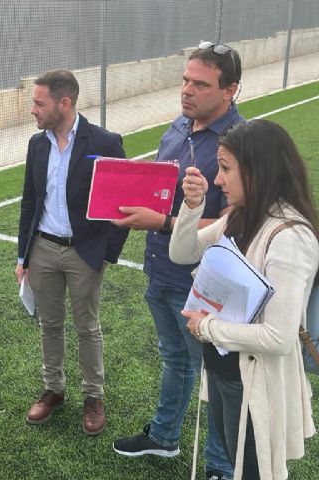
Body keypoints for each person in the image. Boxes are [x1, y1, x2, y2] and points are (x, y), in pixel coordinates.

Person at [112, 42, 243, 480]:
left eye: (200, 84)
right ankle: (165, 437)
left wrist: (162, 221)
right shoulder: (179, 126)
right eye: (185, 80)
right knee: (175, 359)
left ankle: (220, 467)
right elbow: (166, 187)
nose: (187, 90)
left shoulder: (238, 143)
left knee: (216, 377)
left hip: (202, 280)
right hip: (161, 269)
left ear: (230, 91)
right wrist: (137, 180)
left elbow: (231, 220)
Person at [171, 119, 318, 480]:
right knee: (237, 458)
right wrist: (193, 205)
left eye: (225, 168)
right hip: (225, 368)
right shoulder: (241, 215)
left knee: (253, 468)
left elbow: (279, 338)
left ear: (256, 170)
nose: (218, 179)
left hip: (253, 379)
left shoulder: (289, 237)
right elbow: (182, 251)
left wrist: (207, 326)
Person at [16, 69, 129, 435]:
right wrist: (24, 257)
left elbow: (122, 205)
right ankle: (54, 390)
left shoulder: (105, 142)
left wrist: (106, 252)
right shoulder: (37, 144)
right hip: (44, 248)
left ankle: (93, 397)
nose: (32, 109)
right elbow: (29, 202)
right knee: (49, 324)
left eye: (39, 102)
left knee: (87, 327)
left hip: (85, 251)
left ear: (64, 103)